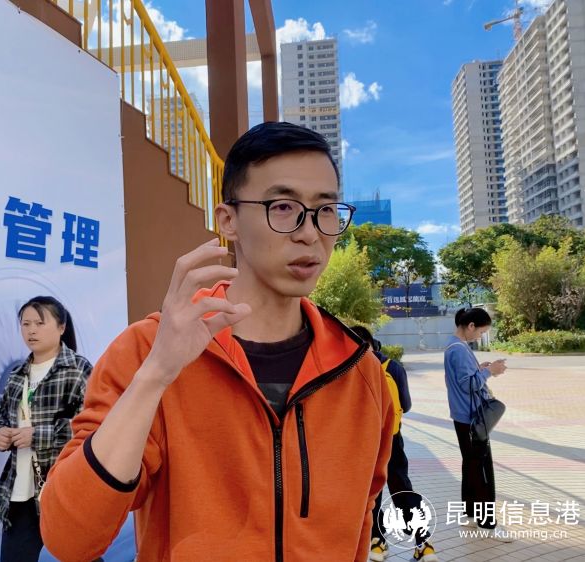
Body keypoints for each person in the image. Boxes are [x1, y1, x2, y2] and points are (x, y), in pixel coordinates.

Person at [39, 122, 395, 562]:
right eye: (284, 207)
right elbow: (69, 539)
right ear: (229, 220)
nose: (310, 233)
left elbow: (360, 522)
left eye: (325, 210)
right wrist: (156, 375)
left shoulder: (360, 373)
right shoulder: (147, 350)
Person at [0, 296, 93, 562]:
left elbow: (92, 426)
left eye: (39, 323)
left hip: (63, 487)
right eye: (26, 324)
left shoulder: (78, 369)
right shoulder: (16, 375)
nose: (31, 331)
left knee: (81, 556)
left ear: (61, 327)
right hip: (20, 490)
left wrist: (38, 435)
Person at [351, 327, 438, 562]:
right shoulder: (393, 367)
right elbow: (405, 406)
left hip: (363, 441)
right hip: (392, 438)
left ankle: (377, 543)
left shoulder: (349, 366)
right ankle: (423, 543)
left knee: (372, 492)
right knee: (402, 487)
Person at [444, 307, 512, 542]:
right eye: (481, 332)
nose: (480, 336)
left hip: (464, 416)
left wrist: (480, 369)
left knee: (471, 466)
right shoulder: (459, 349)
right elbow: (469, 385)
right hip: (472, 417)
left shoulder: (455, 346)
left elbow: (464, 378)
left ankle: (472, 514)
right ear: (470, 326)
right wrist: (490, 371)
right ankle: (488, 524)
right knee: (481, 470)